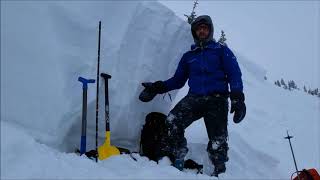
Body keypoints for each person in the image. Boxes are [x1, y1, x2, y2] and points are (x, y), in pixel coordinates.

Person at [139, 15, 246, 177]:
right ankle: (177, 157)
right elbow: (177, 80)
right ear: (195, 33)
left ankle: (218, 172)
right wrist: (157, 87)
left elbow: (234, 74)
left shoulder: (221, 51)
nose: (202, 31)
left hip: (217, 99)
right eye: (198, 29)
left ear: (210, 30)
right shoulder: (189, 56)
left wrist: (237, 98)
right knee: (172, 122)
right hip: (195, 98)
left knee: (218, 139)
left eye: (205, 28)